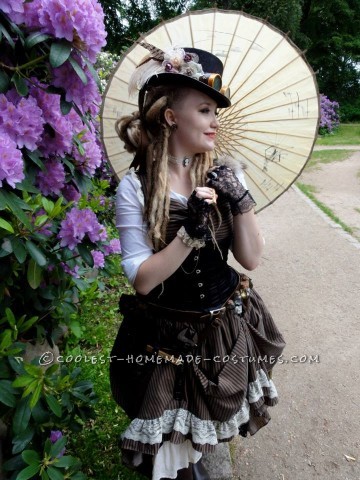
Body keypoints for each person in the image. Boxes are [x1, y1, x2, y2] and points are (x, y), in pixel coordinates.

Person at [110, 42, 285, 480]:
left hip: (221, 327)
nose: (214, 121)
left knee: (200, 422)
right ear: (172, 117)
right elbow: (142, 281)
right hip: (164, 335)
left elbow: (251, 258)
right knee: (167, 438)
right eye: (204, 109)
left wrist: (240, 202)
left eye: (215, 111)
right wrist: (189, 234)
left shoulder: (226, 173)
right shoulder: (136, 189)